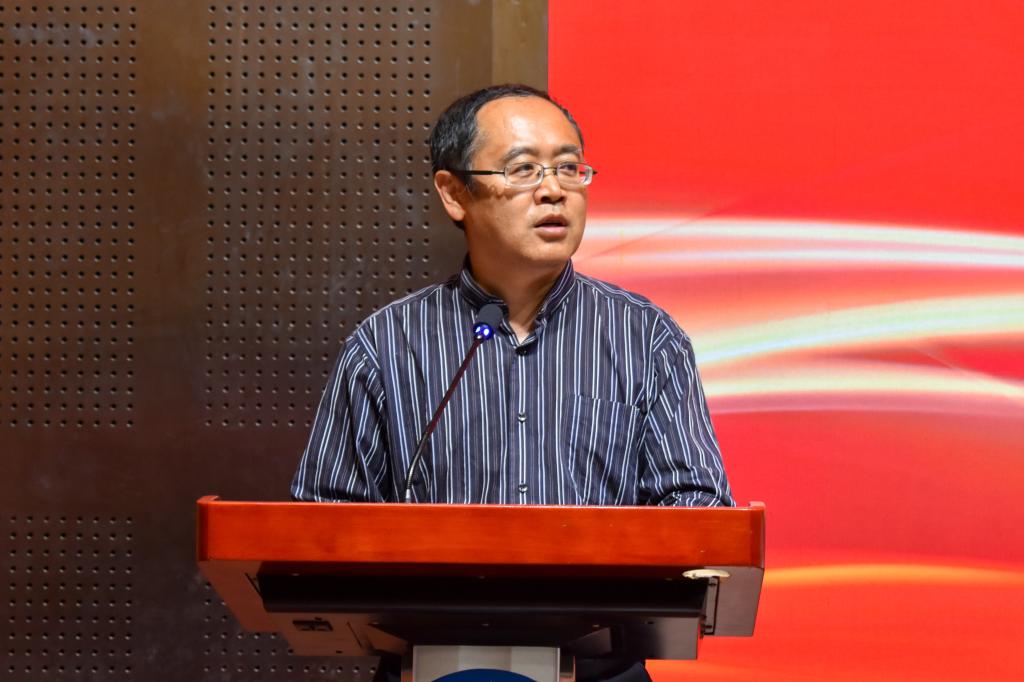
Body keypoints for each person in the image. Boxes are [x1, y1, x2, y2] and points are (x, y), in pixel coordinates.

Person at [292, 83, 734, 682]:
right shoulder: (387, 344)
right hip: (431, 665)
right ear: (454, 193)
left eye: (569, 168)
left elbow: (699, 514)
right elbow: (321, 527)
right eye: (523, 169)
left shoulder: (646, 338)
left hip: (602, 668)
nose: (553, 190)